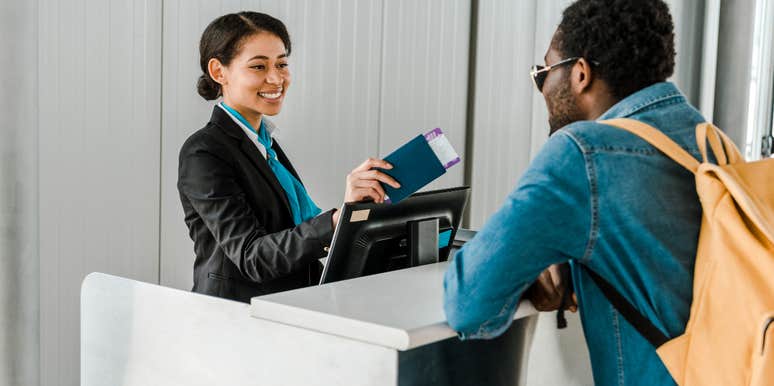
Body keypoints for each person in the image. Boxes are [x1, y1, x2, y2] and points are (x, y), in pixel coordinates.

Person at [443, 1, 708, 384]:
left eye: (543, 72)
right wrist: (569, 263)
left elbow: (467, 303)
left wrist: (527, 276)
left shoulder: (581, 153)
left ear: (580, 74)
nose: (542, 88)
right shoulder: (706, 138)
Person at [178, 12, 399, 303]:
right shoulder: (204, 152)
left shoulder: (263, 144)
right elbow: (252, 257)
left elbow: (290, 233)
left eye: (282, 64)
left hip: (285, 309)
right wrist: (335, 221)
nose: (276, 78)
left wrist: (351, 209)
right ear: (219, 72)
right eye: (259, 66)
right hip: (234, 320)